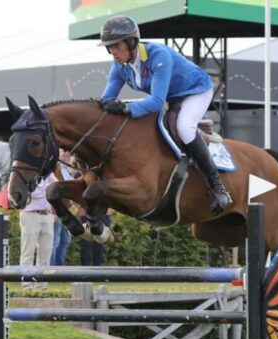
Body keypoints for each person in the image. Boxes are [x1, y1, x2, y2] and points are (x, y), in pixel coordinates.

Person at [98, 15, 231, 215]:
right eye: (109, 47)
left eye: (116, 46)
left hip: (196, 91)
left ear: (131, 42)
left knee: (185, 128)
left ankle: (218, 188)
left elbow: (157, 102)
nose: (112, 52)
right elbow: (106, 100)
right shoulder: (119, 67)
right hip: (172, 98)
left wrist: (126, 108)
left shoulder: (158, 56)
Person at [19, 173, 57, 289]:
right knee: (28, 251)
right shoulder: (28, 174)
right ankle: (27, 284)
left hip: (47, 214)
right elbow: (35, 193)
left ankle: (42, 284)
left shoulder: (48, 173)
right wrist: (48, 188)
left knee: (46, 252)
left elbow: (56, 187)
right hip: (30, 214)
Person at [50, 151, 75, 266]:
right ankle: (52, 270)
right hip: (58, 211)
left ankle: (60, 269)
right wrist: (53, 212)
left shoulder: (67, 169)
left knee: (64, 241)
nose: (67, 154)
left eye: (69, 152)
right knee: (55, 241)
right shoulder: (55, 169)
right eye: (64, 151)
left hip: (66, 211)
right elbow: (52, 191)